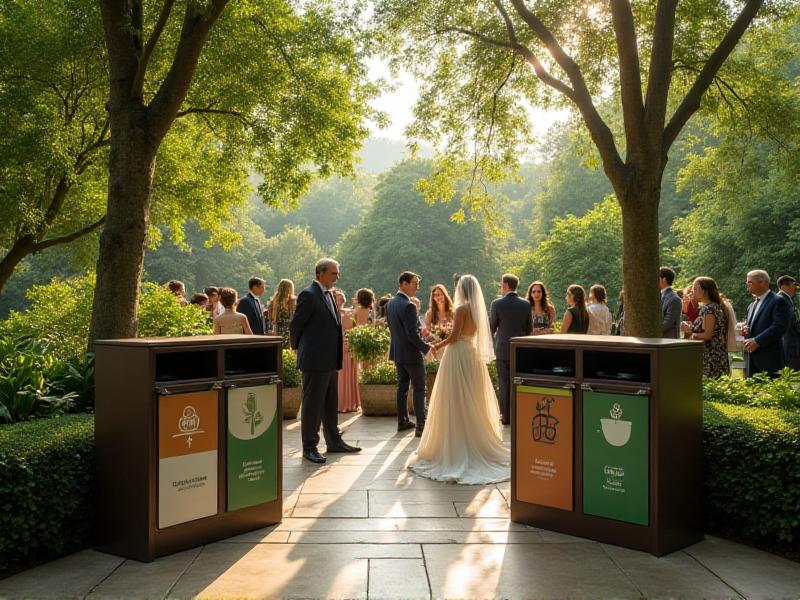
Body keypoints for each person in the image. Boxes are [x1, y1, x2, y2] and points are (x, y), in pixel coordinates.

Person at [407, 275, 510, 484]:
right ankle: (473, 439)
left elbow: (454, 337)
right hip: (472, 355)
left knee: (453, 397)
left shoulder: (462, 309)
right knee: (472, 397)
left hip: (458, 354)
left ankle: (456, 443)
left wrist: (436, 346)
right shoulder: (478, 310)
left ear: (463, 289)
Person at [289, 258, 361, 464]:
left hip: (329, 360)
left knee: (330, 403)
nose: (337, 277)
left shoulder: (329, 294)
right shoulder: (309, 295)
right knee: (312, 405)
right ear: (320, 273)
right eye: (333, 273)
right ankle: (309, 446)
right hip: (314, 360)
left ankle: (334, 441)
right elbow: (296, 326)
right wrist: (298, 348)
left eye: (337, 273)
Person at [386, 271, 433, 436]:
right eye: (415, 283)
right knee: (420, 389)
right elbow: (411, 334)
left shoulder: (390, 304)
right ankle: (421, 425)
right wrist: (426, 348)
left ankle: (402, 421)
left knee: (402, 388)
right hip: (411, 354)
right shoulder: (409, 305)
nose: (417, 287)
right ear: (403, 284)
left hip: (398, 352)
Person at [490, 274, 533, 425]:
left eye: (501, 284)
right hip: (520, 349)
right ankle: (518, 414)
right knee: (518, 383)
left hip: (502, 349)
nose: (501, 286)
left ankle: (506, 416)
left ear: (506, 285)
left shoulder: (497, 304)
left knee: (504, 383)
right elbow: (529, 329)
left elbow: (491, 327)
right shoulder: (526, 304)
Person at [742, 269, 791, 378]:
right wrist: (745, 330)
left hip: (769, 360)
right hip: (751, 360)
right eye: (747, 282)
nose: (747, 285)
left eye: (750, 282)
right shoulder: (752, 304)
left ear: (763, 283)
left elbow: (779, 327)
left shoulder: (778, 301)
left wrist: (757, 341)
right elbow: (754, 326)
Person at [680, 277, 729, 378]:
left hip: (711, 356)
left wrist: (690, 332)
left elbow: (707, 335)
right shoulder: (713, 307)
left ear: (703, 291)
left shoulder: (709, 309)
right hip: (714, 354)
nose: (691, 292)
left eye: (694, 289)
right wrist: (691, 327)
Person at [335, 289, 360, 413]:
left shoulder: (351, 312)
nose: (342, 298)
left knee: (351, 373)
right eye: (339, 297)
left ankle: (351, 403)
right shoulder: (332, 313)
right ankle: (340, 403)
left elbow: (357, 329)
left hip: (350, 346)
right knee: (341, 375)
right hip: (337, 346)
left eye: (342, 296)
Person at [777, 275, 800, 370]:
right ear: (784, 286)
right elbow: (790, 324)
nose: (795, 287)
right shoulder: (781, 300)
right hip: (789, 345)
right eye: (793, 285)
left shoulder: (786, 299)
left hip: (791, 345)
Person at [269, 279, 296, 349]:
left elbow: (270, 319)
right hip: (290, 331)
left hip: (277, 331)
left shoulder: (273, 302)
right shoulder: (292, 301)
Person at [659, 266, 683, 339]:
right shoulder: (658, 295)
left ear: (664, 279)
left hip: (668, 342)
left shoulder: (674, 299)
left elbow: (666, 324)